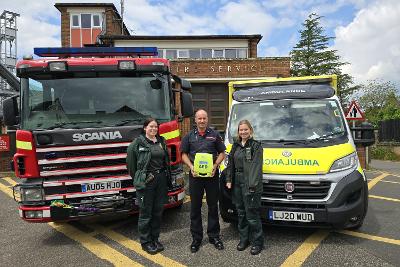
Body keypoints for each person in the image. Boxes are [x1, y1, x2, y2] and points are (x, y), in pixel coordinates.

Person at [181, 109, 226, 253]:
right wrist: (190, 166)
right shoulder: (188, 136)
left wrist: (215, 165)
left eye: (204, 118)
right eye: (199, 118)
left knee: (213, 206)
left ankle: (214, 236)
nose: (202, 121)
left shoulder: (214, 135)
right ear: (195, 120)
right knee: (195, 207)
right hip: (195, 177)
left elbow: (222, 153)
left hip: (211, 176)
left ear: (207, 119)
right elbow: (183, 154)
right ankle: (196, 238)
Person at [126, 118, 171, 255]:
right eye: (151, 127)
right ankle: (146, 242)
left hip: (161, 180)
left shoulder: (161, 141)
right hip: (147, 181)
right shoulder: (136, 144)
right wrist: (140, 179)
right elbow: (131, 165)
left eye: (156, 127)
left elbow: (165, 161)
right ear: (145, 128)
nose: (154, 129)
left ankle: (155, 239)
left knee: (157, 211)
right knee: (146, 213)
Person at [226, 119, 264, 255]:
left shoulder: (256, 146)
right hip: (237, 182)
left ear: (250, 130)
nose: (243, 132)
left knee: (251, 214)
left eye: (245, 129)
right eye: (241, 130)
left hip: (250, 183)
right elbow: (230, 163)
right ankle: (244, 239)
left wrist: (252, 185)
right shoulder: (235, 145)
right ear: (238, 131)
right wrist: (229, 179)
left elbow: (256, 167)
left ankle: (257, 242)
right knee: (241, 213)